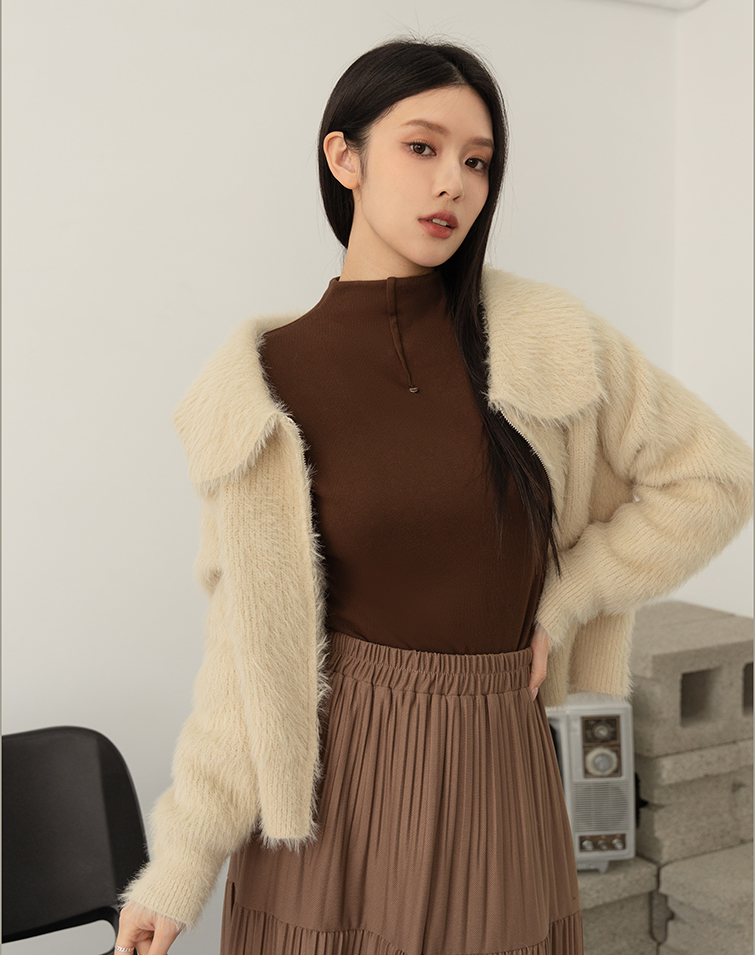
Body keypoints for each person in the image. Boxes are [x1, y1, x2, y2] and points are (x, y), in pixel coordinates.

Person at [115, 37, 753, 955]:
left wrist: (566, 602)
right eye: (421, 147)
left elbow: (715, 476)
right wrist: (177, 871)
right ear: (344, 158)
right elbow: (242, 664)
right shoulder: (261, 384)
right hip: (331, 789)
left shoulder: (547, 338)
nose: (453, 181)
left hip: (498, 767)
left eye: (477, 161)